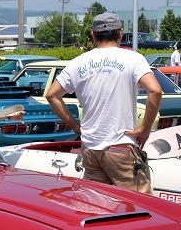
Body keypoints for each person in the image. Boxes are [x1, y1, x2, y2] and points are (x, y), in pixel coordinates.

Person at [45, 12, 160, 194]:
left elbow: (52, 95)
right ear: (121, 33)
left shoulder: (78, 62)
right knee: (140, 206)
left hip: (90, 147)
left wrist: (75, 126)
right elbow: (155, 90)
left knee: (97, 205)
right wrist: (144, 129)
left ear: (93, 35)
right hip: (120, 145)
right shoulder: (133, 59)